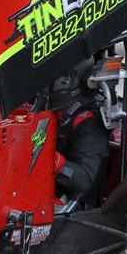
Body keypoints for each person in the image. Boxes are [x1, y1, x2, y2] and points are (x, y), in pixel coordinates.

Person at [49, 58, 109, 205]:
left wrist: (50, 161)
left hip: (70, 209)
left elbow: (85, 178)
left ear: (67, 79)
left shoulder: (88, 121)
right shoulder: (50, 107)